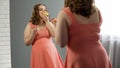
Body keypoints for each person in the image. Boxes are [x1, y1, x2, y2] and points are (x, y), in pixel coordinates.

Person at [55, 0, 112, 68]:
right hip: (100, 56)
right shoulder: (96, 10)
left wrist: (57, 27)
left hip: (79, 60)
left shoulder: (64, 13)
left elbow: (62, 43)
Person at [24, 3, 63, 68]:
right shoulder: (30, 25)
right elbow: (27, 42)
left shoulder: (49, 22)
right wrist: (32, 34)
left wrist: (47, 21)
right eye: (41, 10)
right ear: (36, 12)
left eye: (45, 10)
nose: (43, 11)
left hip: (50, 52)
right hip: (38, 54)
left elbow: (54, 34)